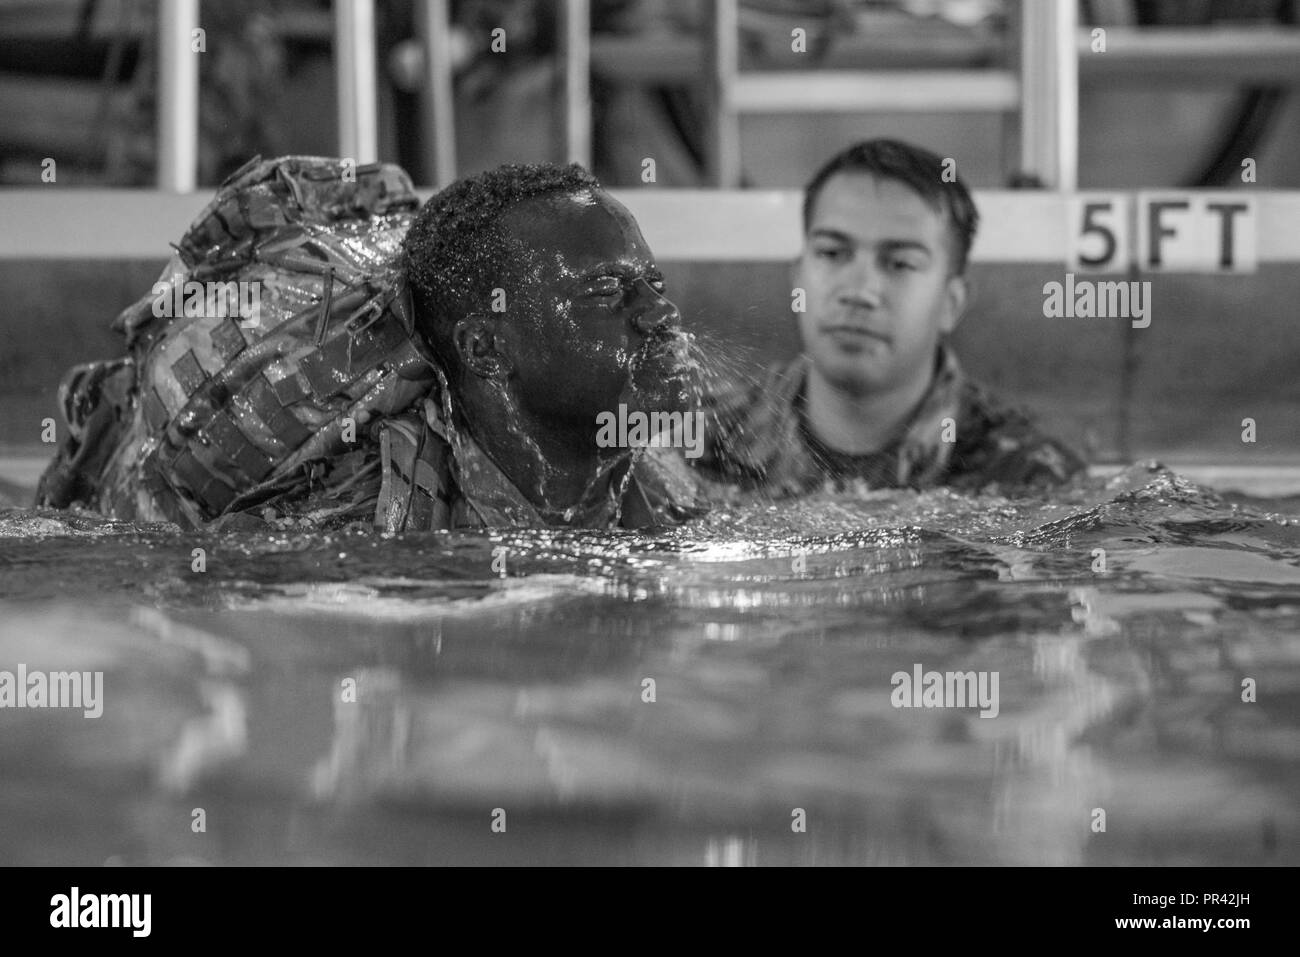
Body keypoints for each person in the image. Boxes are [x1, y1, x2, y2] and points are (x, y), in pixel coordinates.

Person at [36, 159, 704, 532]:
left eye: (654, 283)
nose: (662, 312)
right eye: (606, 293)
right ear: (485, 348)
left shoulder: (646, 477)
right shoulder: (362, 523)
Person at [693, 139, 1086, 498]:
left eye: (899, 263)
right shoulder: (702, 446)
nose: (859, 290)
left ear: (952, 302)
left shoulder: (1029, 478)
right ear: (798, 275)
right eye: (831, 253)